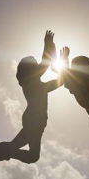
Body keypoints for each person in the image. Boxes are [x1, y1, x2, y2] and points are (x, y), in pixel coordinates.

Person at [10, 30, 69, 163]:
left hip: (36, 120)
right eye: (34, 65)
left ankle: (4, 151)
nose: (37, 66)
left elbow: (60, 80)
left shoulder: (40, 87)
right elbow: (45, 63)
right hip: (34, 119)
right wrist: (48, 44)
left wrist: (64, 59)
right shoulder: (28, 81)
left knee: (15, 148)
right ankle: (5, 152)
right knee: (33, 156)